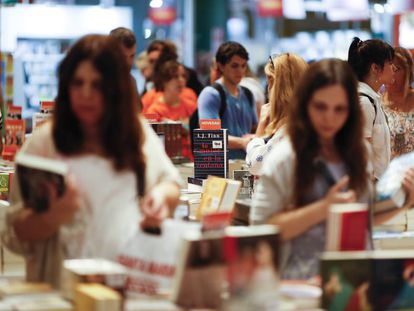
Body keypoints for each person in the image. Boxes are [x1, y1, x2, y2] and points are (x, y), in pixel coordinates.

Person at [1, 34, 181, 288]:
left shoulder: (135, 132)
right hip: (62, 290)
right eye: (77, 83)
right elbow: (13, 235)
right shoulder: (44, 143)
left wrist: (161, 197)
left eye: (97, 85)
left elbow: (170, 182)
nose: (86, 93)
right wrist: (54, 215)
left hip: (126, 286)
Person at [250, 59, 414, 280]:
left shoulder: (357, 154)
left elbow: (359, 218)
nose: (329, 118)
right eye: (320, 107)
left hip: (355, 284)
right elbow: (260, 231)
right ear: (305, 104)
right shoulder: (285, 157)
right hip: (303, 287)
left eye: (339, 109)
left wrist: (402, 202)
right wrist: (323, 208)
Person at [246, 53, 308, 175]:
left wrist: (261, 126)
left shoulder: (292, 127)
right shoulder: (298, 120)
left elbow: (256, 165)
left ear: (280, 86)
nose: (268, 88)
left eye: (270, 81)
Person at [197, 41, 258, 160]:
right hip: (221, 167)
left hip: (246, 165)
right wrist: (243, 142)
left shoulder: (248, 93)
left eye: (243, 65)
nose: (240, 70)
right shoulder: (210, 94)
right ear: (220, 66)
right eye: (234, 66)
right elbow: (211, 135)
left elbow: (254, 128)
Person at [347, 37, 395, 179]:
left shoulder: (371, 99)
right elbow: (361, 158)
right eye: (390, 63)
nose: (394, 68)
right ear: (375, 68)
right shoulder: (364, 102)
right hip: (371, 191)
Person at [145, 60, 197, 159]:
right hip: (168, 163)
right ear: (164, 80)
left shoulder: (191, 106)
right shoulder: (154, 111)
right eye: (175, 76)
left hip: (191, 162)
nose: (181, 80)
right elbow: (151, 143)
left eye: (183, 76)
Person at [383, 47, 414, 158]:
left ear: (408, 71)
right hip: (387, 173)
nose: (391, 74)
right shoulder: (377, 103)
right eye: (387, 68)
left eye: (396, 69)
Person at [109, 27, 142, 112]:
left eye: (132, 56)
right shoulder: (97, 79)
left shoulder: (131, 80)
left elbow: (137, 113)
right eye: (123, 57)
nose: (128, 62)